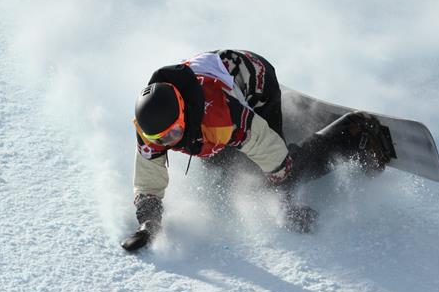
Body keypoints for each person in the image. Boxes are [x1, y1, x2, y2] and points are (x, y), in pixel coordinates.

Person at [123, 49, 393, 251]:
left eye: (173, 133)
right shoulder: (153, 130)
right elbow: (149, 182)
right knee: (222, 165)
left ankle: (353, 132)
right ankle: (293, 118)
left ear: (183, 113)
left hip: (258, 85)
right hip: (223, 84)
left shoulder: (222, 118)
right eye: (161, 138)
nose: (168, 141)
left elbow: (276, 161)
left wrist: (285, 200)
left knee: (274, 174)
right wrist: (149, 224)